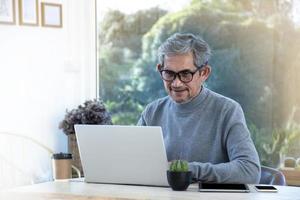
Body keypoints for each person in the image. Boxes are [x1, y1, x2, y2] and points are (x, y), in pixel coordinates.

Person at [137, 33, 261, 183]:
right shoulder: (152, 112)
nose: (176, 83)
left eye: (185, 74)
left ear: (204, 73)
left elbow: (249, 171)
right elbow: (135, 164)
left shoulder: (227, 110)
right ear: (160, 69)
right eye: (169, 73)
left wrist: (185, 169)